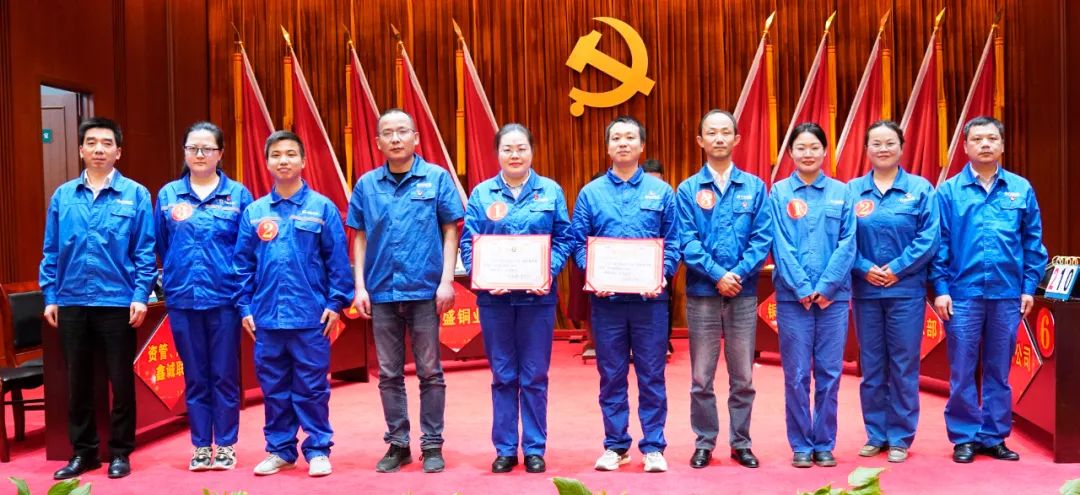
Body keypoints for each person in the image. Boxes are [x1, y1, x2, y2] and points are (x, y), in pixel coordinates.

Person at [347, 109, 465, 473]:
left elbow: (450, 230)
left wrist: (446, 280)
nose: (395, 138)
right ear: (378, 142)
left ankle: (432, 443)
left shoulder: (436, 177)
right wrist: (360, 286)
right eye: (388, 133)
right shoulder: (367, 185)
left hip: (425, 290)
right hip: (381, 290)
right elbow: (359, 236)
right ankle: (398, 444)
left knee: (430, 371)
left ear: (416, 137)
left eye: (402, 131)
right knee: (388, 373)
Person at [40, 117, 156, 480]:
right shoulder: (63, 196)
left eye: (107, 143)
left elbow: (145, 250)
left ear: (118, 152)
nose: (99, 149)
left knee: (121, 382)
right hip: (72, 300)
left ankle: (120, 452)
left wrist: (141, 295)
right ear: (81, 150)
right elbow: (51, 250)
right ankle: (84, 452)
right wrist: (50, 295)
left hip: (117, 301)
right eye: (91, 143)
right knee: (78, 382)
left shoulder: (136, 194)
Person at [233, 131, 353, 477]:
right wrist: (245, 307)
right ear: (267, 162)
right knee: (274, 389)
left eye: (290, 154)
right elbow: (242, 265)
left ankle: (318, 449)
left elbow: (337, 261)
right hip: (267, 318)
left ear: (303, 161)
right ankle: (280, 450)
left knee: (312, 387)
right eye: (276, 155)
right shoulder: (255, 212)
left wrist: (336, 302)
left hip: (311, 317)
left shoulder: (322, 208)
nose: (283, 160)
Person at [931, 116, 1048, 463]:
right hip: (962, 294)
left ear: (1002, 145)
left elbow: (1033, 242)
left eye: (992, 138)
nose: (985, 144)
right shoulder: (948, 191)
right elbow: (940, 245)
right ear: (965, 146)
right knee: (962, 369)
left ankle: (994, 436)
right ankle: (964, 437)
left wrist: (1028, 287)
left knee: (1000, 369)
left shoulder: (1020, 188)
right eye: (978, 139)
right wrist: (940, 288)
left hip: (1007, 294)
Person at [459, 123, 573, 474]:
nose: (514, 155)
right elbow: (469, 243)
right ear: (497, 153)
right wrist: (482, 277)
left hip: (538, 300)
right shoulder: (482, 193)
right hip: (495, 301)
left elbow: (564, 238)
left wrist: (547, 271)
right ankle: (506, 448)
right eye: (507, 149)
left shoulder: (550, 191)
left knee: (535, 375)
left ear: (532, 152)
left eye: (521, 148)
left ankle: (535, 448)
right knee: (503, 374)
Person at [571, 116, 680, 473]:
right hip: (607, 303)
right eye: (616, 138)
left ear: (641, 146)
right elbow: (578, 243)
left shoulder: (661, 192)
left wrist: (660, 275)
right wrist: (593, 274)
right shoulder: (591, 193)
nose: (623, 143)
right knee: (611, 375)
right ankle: (616, 446)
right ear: (607, 147)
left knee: (652, 375)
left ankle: (654, 446)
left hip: (650, 303)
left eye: (630, 137)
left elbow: (673, 243)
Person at [155, 122, 253, 471]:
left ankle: (225, 444)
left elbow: (247, 250)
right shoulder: (168, 195)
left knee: (224, 374)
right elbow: (162, 245)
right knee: (195, 375)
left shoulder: (238, 195)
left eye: (207, 148)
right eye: (192, 148)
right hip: (183, 299)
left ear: (220, 154)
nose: (199, 154)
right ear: (184, 152)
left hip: (225, 299)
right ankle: (200, 445)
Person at [676, 109, 772, 469]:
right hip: (703, 292)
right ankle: (704, 442)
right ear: (700, 141)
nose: (719, 138)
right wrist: (718, 275)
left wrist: (738, 274)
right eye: (711, 133)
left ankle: (741, 443)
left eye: (725, 132)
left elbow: (762, 239)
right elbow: (687, 241)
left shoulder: (755, 187)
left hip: (743, 293)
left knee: (743, 375)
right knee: (701, 376)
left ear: (736, 139)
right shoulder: (688, 189)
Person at [848, 120, 940, 463]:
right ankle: (876, 433)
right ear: (866, 149)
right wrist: (864, 267)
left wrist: (897, 268)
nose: (883, 148)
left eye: (890, 142)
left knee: (903, 364)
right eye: (876, 143)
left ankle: (900, 435)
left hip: (906, 292)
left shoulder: (920, 189)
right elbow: (843, 239)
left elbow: (929, 238)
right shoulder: (852, 191)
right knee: (872, 365)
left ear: (901, 147)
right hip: (866, 291)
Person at [769, 122, 856, 468]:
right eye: (801, 148)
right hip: (794, 299)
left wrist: (827, 286)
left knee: (830, 374)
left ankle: (824, 442)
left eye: (814, 147)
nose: (808, 154)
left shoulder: (842, 192)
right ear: (791, 153)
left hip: (834, 299)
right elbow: (780, 244)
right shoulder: (778, 193)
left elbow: (848, 243)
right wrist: (804, 288)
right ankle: (801, 444)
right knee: (796, 374)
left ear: (824, 151)